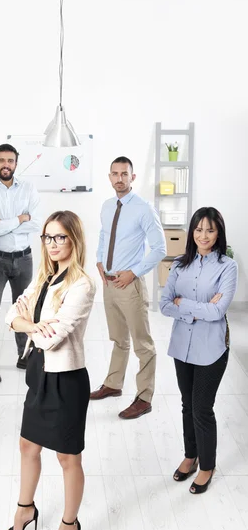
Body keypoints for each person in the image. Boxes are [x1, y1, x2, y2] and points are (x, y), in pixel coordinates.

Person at [3, 210, 95, 530]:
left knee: (68, 458)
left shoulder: (82, 284)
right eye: (48, 237)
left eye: (61, 237)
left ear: (74, 240)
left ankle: (69, 525)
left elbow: (52, 338)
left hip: (67, 380)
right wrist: (28, 324)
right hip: (39, 376)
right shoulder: (43, 276)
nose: (53, 244)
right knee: (28, 446)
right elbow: (12, 313)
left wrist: (27, 326)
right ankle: (25, 509)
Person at [160, 207, 237, 494]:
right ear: (192, 232)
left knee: (202, 409)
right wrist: (192, 308)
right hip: (182, 347)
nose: (203, 235)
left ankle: (207, 466)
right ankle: (190, 456)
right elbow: (165, 303)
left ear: (219, 234)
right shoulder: (180, 263)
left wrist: (184, 305)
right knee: (186, 404)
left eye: (210, 230)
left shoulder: (228, 267)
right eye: (198, 229)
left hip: (212, 348)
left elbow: (218, 311)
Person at [91, 156, 166, 419]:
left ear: (132, 177)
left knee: (142, 344)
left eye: (124, 174)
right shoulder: (107, 206)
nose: (119, 178)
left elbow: (160, 248)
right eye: (115, 174)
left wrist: (133, 272)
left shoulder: (144, 209)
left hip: (130, 285)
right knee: (118, 339)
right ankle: (113, 384)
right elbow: (104, 234)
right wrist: (99, 260)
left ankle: (144, 397)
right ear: (109, 177)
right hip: (109, 283)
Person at [0, 143, 41, 384]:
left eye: (10, 161)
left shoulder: (28, 189)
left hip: (24, 258)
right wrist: (20, 218)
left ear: (16, 163)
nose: (6, 165)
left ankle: (23, 355)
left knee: (25, 310)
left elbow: (36, 224)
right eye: (1, 160)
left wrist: (6, 222)